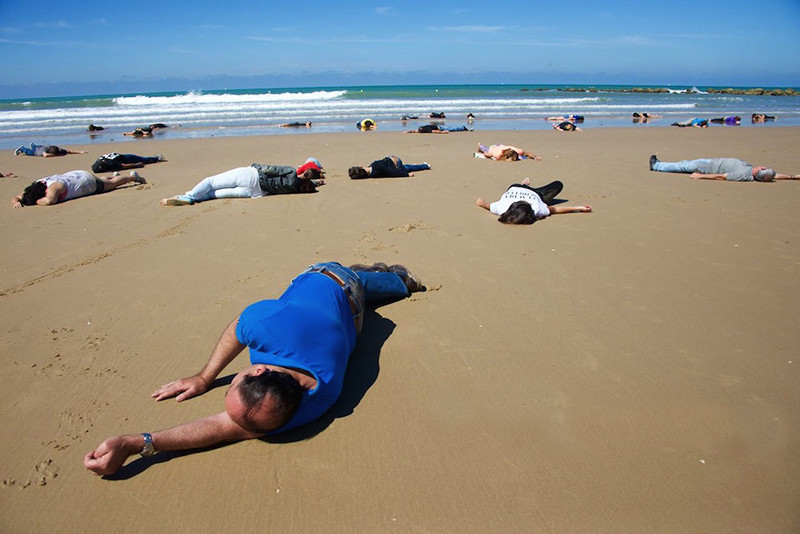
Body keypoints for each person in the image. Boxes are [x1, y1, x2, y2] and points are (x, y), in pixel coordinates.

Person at [83, 260, 425, 476]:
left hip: (343, 298)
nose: (231, 419)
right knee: (370, 285)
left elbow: (223, 428)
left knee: (384, 286)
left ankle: (391, 278)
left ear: (260, 369)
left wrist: (138, 443)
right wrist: (205, 379)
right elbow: (238, 329)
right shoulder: (317, 391)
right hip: (335, 291)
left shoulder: (311, 397)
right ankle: (387, 277)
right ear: (262, 372)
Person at [160, 158, 324, 206]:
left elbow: (270, 169)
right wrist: (317, 184)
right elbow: (309, 185)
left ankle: (189, 196)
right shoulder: (300, 188)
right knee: (213, 195)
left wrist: (254, 166)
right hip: (255, 193)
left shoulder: (291, 171)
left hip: (251, 176)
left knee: (210, 182)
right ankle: (195, 199)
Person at [475, 178, 591, 224]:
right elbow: (555, 209)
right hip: (519, 189)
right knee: (558, 185)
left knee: (557, 185)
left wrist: (481, 203)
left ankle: (525, 184)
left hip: (519, 189)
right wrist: (578, 208)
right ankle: (524, 184)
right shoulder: (536, 209)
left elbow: (486, 205)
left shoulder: (501, 208)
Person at [11, 170, 145, 208]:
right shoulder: (38, 184)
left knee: (110, 185)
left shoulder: (53, 189)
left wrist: (35, 202)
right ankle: (114, 175)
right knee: (102, 181)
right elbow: (18, 196)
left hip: (86, 183)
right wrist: (16, 201)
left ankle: (132, 177)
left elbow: (50, 201)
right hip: (77, 174)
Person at [649, 155, 797, 182]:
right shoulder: (761, 174)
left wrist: (699, 176)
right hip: (711, 162)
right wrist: (793, 177)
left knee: (683, 165)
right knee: (684, 164)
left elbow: (722, 176)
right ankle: (658, 165)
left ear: (759, 170)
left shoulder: (743, 174)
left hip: (708, 167)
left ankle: (656, 166)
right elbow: (775, 176)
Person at [348, 156, 430, 179]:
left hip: (393, 165)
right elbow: (392, 173)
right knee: (408, 167)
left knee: (409, 167)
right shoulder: (376, 166)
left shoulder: (372, 175)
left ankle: (423, 166)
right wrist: (406, 175)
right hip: (397, 163)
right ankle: (426, 166)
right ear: (361, 167)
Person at [91, 152, 166, 173]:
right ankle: (157, 158)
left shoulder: (110, 163)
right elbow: (124, 166)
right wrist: (136, 165)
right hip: (123, 157)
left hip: (123, 158)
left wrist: (136, 165)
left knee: (142, 159)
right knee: (142, 159)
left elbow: (123, 165)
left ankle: (157, 158)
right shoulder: (99, 161)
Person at [475, 143, 542, 161]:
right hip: (494, 147)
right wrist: (483, 154)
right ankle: (480, 147)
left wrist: (535, 157)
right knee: (486, 149)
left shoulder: (518, 151)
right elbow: (487, 155)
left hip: (502, 146)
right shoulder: (497, 154)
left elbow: (527, 153)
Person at [14, 143, 87, 157]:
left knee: (35, 146)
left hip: (38, 147)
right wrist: (55, 155)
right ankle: (22, 148)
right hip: (35, 152)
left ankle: (33, 145)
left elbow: (69, 151)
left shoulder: (57, 149)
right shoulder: (44, 151)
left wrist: (80, 152)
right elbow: (45, 156)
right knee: (28, 152)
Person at [405, 124, 470, 134]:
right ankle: (462, 128)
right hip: (438, 126)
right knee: (451, 128)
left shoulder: (427, 129)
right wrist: (408, 131)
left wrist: (443, 132)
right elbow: (415, 131)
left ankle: (462, 128)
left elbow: (434, 131)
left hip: (440, 128)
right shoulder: (423, 128)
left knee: (452, 129)